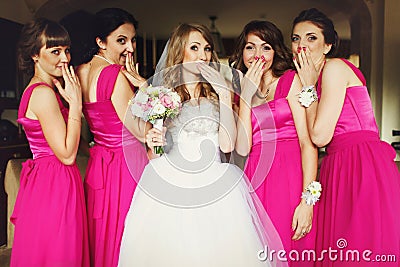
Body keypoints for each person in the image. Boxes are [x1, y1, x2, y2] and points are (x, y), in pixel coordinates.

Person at [118, 23, 288, 267]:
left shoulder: (218, 93)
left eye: (207, 49)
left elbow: (228, 144)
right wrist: (155, 141)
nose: (203, 55)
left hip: (214, 182)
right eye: (194, 48)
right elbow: (155, 154)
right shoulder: (160, 95)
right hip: (169, 183)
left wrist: (223, 94)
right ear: (180, 52)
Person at [291, 8, 400, 266]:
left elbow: (319, 135)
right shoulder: (315, 78)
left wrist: (307, 87)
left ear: (328, 45)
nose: (302, 45)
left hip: (360, 163)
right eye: (296, 38)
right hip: (338, 164)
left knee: (361, 246)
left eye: (311, 38)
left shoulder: (335, 69)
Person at [231, 20, 319, 265]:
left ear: (275, 51)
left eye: (265, 47)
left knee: (289, 249)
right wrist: (246, 96)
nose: (257, 55)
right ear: (242, 52)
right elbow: (242, 148)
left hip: (289, 179)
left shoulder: (290, 80)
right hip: (256, 180)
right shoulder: (241, 93)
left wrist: (307, 201)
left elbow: (307, 142)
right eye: (251, 47)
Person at [10, 18, 89, 266]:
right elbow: (67, 154)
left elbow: (75, 141)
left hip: (48, 180)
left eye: (66, 50)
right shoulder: (43, 93)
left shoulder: (45, 89)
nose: (64, 58)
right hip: (55, 181)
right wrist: (76, 105)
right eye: (55, 51)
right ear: (35, 54)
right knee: (59, 253)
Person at [75, 7, 150, 267]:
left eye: (132, 40)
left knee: (103, 233)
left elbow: (75, 125)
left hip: (100, 165)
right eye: (121, 40)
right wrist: (145, 89)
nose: (129, 48)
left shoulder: (79, 72)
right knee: (130, 235)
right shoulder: (114, 75)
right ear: (100, 41)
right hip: (128, 166)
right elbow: (141, 131)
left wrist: (90, 149)